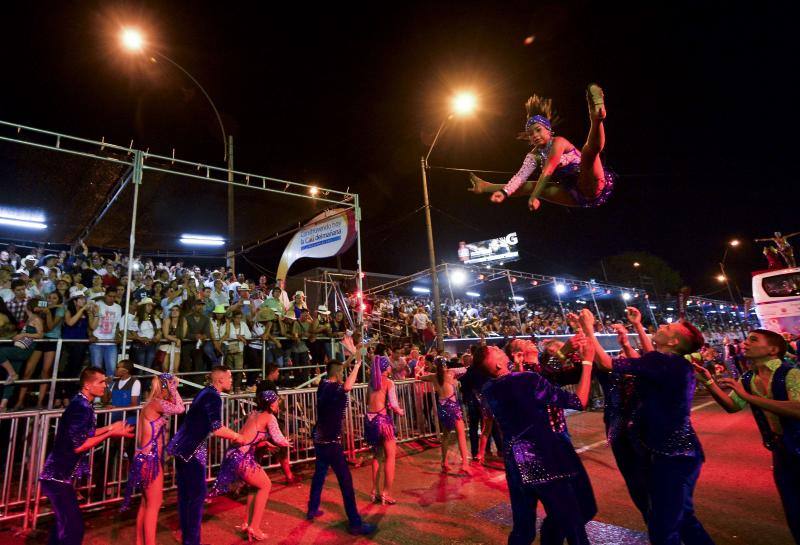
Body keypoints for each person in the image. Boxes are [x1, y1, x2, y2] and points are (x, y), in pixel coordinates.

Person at [581, 308, 715, 545]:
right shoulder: (671, 363)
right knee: (682, 519)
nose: (662, 325)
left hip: (673, 457)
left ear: (674, 342)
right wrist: (638, 326)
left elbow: (606, 362)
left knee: (663, 527)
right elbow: (650, 358)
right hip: (678, 454)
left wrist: (588, 329)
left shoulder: (663, 363)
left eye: (668, 327)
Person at [474, 338, 597, 545]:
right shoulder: (528, 379)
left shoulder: (488, 388)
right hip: (546, 460)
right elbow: (579, 401)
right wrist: (587, 363)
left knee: (523, 530)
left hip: (516, 463)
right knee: (574, 524)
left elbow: (520, 388)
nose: (497, 346)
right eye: (494, 349)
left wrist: (522, 367)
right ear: (498, 364)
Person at [696, 329, 800, 544]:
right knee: (793, 507)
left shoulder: (792, 374)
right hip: (781, 449)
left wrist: (748, 396)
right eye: (746, 339)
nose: (745, 343)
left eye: (753, 339)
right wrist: (709, 382)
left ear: (773, 349)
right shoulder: (748, 377)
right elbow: (733, 406)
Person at [469, 84, 615, 211]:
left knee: (588, 152)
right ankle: (485, 186)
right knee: (529, 185)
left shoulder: (559, 142)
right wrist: (505, 192)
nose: (535, 135)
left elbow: (548, 169)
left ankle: (596, 119)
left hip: (591, 184)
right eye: (530, 134)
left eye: (538, 130)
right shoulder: (534, 154)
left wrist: (534, 197)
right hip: (571, 193)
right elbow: (520, 177)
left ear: (549, 130)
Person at [39, 367, 134, 545]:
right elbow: (79, 445)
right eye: (101, 382)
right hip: (57, 477)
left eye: (105, 381)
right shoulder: (81, 407)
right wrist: (110, 434)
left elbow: (86, 433)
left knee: (64, 526)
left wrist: (110, 427)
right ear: (87, 385)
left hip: (59, 476)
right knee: (73, 529)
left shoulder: (83, 404)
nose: (105, 386)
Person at [166, 366, 243, 545]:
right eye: (230, 377)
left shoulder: (206, 392)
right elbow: (217, 428)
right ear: (220, 380)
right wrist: (238, 436)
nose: (232, 380)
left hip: (183, 447)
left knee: (186, 495)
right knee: (196, 497)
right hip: (191, 450)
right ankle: (192, 541)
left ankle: (189, 539)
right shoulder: (213, 396)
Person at [306, 348, 376, 535]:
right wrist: (358, 365)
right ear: (337, 374)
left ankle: (312, 509)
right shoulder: (332, 387)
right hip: (330, 443)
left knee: (319, 475)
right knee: (345, 482)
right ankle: (355, 523)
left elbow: (340, 373)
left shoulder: (323, 383)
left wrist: (354, 356)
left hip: (319, 439)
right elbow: (347, 387)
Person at [210, 384, 290, 541]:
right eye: (277, 401)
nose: (278, 403)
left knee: (256, 487)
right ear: (271, 403)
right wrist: (286, 442)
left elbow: (250, 436)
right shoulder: (270, 417)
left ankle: (247, 523)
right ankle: (255, 527)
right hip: (242, 457)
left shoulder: (254, 413)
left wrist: (266, 443)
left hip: (234, 454)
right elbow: (279, 438)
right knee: (266, 485)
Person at [122, 374, 184, 545]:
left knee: (146, 502)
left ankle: (140, 542)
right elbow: (180, 408)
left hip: (144, 457)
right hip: (150, 460)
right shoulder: (156, 403)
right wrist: (173, 388)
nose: (174, 390)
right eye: (172, 387)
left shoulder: (150, 405)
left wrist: (170, 386)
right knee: (154, 505)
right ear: (165, 388)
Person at [365, 346, 405, 505]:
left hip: (370, 420)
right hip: (382, 421)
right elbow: (394, 405)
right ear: (385, 367)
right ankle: (386, 493)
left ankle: (374, 491)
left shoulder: (371, 383)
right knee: (390, 457)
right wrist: (400, 411)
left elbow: (369, 402)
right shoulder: (388, 382)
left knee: (376, 456)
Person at [420, 356, 471, 474]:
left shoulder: (433, 377)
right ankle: (464, 463)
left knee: (446, 436)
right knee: (461, 435)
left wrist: (421, 373)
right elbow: (465, 369)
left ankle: (444, 462)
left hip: (442, 408)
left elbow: (422, 377)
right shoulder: (450, 372)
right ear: (445, 365)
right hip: (453, 407)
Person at [88, 287, 122, 377]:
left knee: (111, 369)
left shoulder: (118, 307)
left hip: (111, 342)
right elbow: (90, 323)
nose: (112, 298)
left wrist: (117, 335)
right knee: (96, 369)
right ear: (105, 295)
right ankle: (96, 390)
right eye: (110, 296)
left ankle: (108, 389)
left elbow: (117, 324)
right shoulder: (97, 305)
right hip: (97, 341)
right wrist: (91, 335)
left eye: (114, 297)